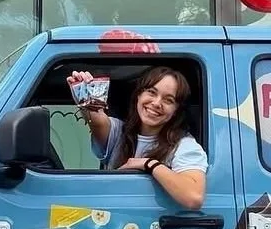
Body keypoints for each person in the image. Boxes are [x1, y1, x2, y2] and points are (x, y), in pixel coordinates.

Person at [66, 65, 207, 209]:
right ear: (139, 95)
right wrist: (85, 92)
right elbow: (96, 118)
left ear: (176, 110)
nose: (157, 103)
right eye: (152, 92)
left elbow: (193, 198)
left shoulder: (184, 146)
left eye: (168, 100)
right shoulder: (118, 132)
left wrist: (148, 164)